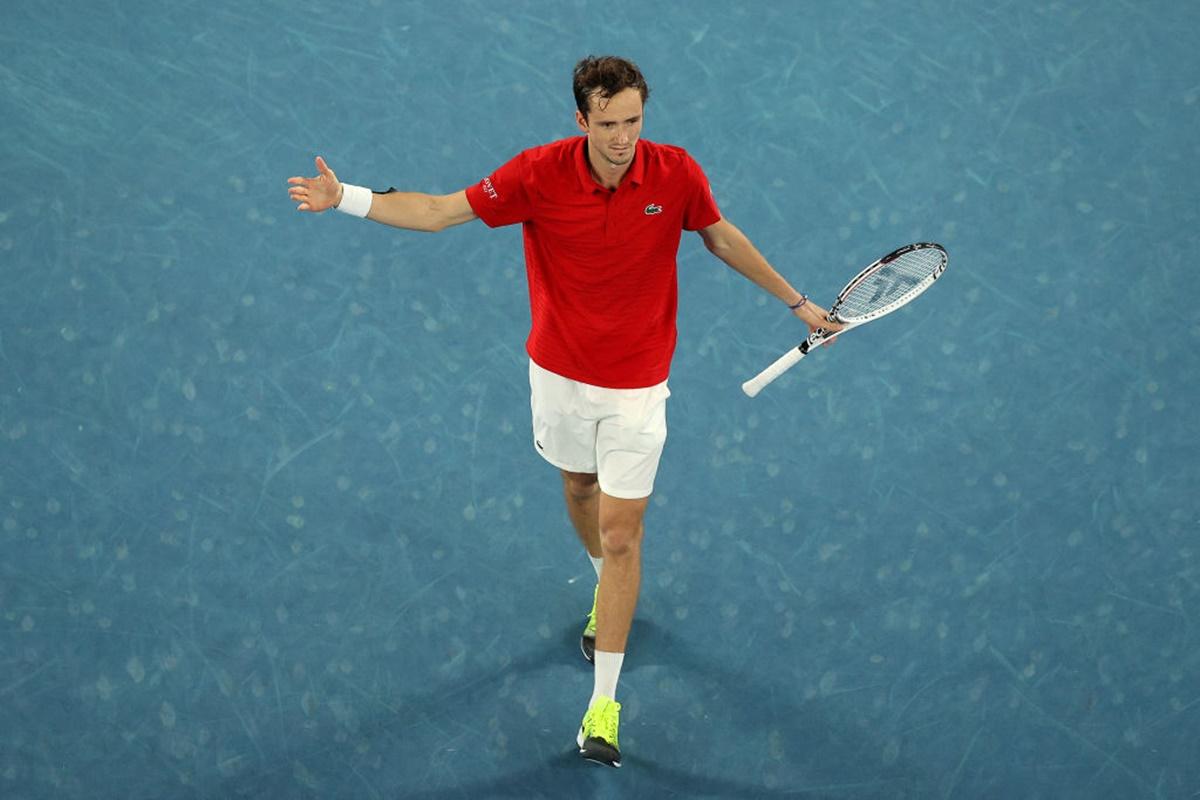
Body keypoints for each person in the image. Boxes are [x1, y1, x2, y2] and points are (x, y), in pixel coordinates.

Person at [287, 55, 841, 769]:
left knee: (622, 536)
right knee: (578, 489)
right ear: (581, 119)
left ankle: (602, 706)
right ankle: (604, 587)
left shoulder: (674, 173)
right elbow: (439, 211)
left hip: (639, 385)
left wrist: (797, 302)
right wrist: (348, 198)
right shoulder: (536, 174)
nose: (623, 138)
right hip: (559, 376)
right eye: (608, 124)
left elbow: (718, 234)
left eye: (634, 121)